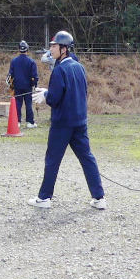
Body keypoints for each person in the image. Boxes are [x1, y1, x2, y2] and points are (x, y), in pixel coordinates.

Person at [28, 31, 106, 210]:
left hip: (62, 123)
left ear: (64, 49)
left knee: (52, 159)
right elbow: (79, 91)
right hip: (79, 121)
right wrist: (48, 91)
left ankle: (44, 198)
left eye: (54, 46)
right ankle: (99, 197)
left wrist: (46, 94)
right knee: (87, 158)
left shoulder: (59, 69)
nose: (51, 49)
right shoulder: (79, 67)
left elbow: (55, 98)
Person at [8, 40, 39, 128]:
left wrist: (11, 86)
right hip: (28, 87)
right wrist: (34, 85)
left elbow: (10, 75)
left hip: (17, 86)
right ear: (27, 49)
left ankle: (17, 122)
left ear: (19, 49)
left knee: (18, 104)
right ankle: (30, 122)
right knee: (28, 104)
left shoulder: (14, 61)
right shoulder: (31, 61)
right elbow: (35, 76)